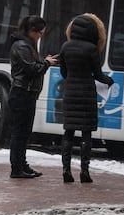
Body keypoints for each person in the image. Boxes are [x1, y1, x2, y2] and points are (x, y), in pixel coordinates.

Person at [59, 13, 114, 183]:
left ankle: (66, 171)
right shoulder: (91, 49)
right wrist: (109, 81)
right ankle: (84, 172)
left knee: (68, 132)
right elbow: (97, 75)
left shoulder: (65, 47)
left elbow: (64, 72)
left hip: (70, 92)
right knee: (86, 134)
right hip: (87, 94)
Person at [8, 15, 59, 178]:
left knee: (24, 132)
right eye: (40, 34)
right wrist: (46, 63)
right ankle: (17, 168)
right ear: (32, 31)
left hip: (27, 93)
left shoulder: (26, 45)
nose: (40, 37)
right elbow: (31, 69)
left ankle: (22, 165)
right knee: (19, 133)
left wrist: (44, 62)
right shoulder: (22, 46)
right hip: (21, 93)